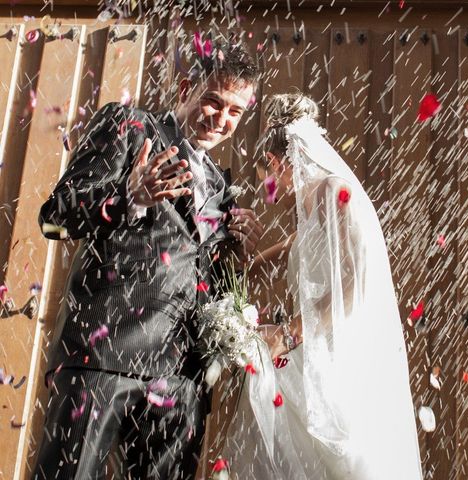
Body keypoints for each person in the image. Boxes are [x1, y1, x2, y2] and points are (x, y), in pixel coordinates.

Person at [32, 38, 263, 479]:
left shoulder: (222, 184)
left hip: (181, 378)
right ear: (184, 88)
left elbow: (195, 275)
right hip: (103, 357)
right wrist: (129, 197)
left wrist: (236, 252)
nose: (222, 119)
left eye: (236, 111)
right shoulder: (130, 127)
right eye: (213, 101)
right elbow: (54, 217)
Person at [222, 93, 423, 479]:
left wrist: (288, 333)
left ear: (277, 161)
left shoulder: (333, 192)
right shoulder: (311, 204)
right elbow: (279, 255)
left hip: (337, 358)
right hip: (311, 352)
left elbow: (356, 284)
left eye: (267, 170)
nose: (268, 181)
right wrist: (239, 262)